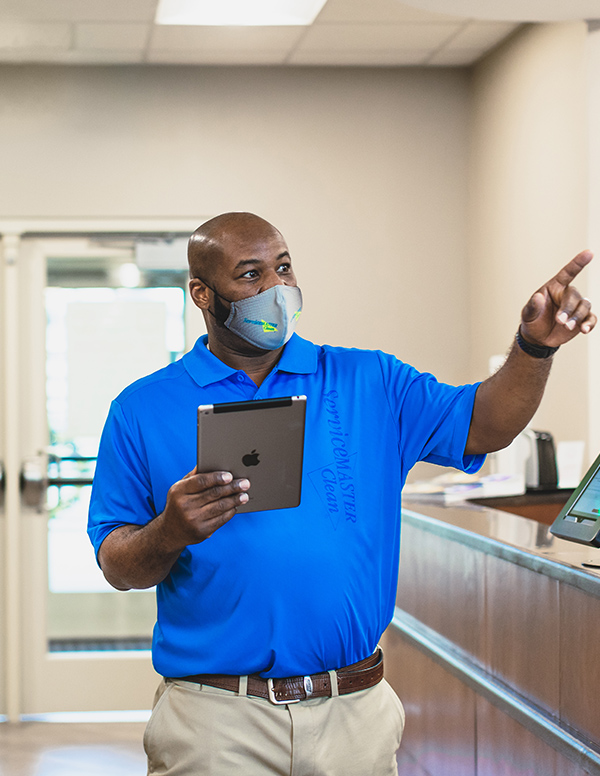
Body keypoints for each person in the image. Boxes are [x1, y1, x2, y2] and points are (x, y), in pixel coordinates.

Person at [88, 212, 596, 776]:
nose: (276, 290)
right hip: (215, 721)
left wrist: (534, 347)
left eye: (283, 268)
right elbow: (118, 563)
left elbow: (486, 425)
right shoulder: (141, 409)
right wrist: (170, 531)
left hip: (353, 712)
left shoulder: (370, 381)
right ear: (202, 294)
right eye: (250, 276)